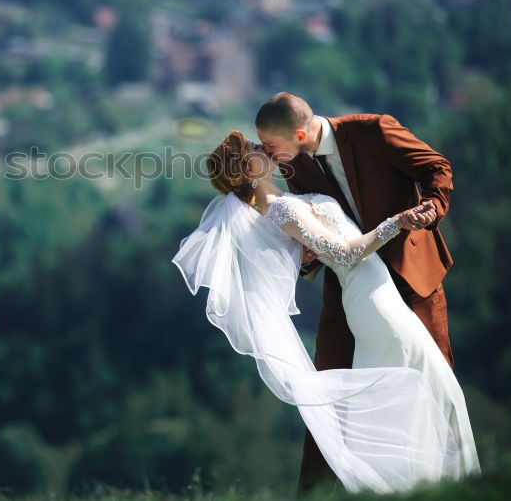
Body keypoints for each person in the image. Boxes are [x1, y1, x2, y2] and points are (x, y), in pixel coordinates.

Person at [172, 130, 479, 493]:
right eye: (251, 149)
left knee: (430, 396)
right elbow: (345, 254)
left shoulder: (286, 200)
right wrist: (398, 222)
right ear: (247, 169)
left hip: (379, 296)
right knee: (438, 390)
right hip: (371, 303)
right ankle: (460, 488)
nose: (260, 148)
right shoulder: (282, 209)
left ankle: (444, 488)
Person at [255, 93, 457, 492]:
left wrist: (431, 209)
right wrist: (309, 258)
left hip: (412, 275)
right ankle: (318, 493)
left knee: (434, 379)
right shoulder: (293, 162)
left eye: (269, 145)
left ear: (299, 133)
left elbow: (437, 168)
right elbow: (318, 236)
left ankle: (446, 484)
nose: (265, 152)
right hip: (348, 289)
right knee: (326, 390)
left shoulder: (374, 130)